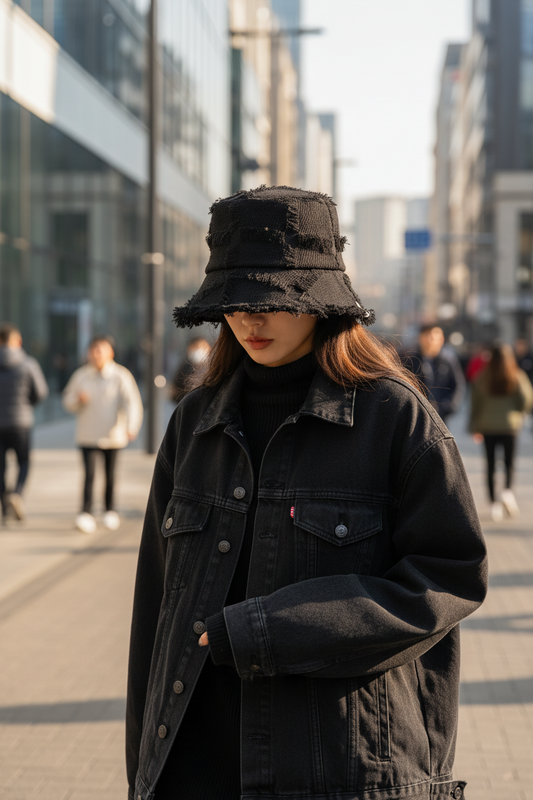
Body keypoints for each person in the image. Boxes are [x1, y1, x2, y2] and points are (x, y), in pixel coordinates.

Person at [126, 186, 487, 800]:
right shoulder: (196, 423)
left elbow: (449, 578)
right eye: (233, 300)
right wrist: (142, 768)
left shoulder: (394, 419)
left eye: (269, 298)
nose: (247, 317)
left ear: (322, 301)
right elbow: (155, 616)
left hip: (339, 768)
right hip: (194, 764)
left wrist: (271, 629)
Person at [62, 335, 143, 534]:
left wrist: (132, 426)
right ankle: (85, 513)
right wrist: (77, 400)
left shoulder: (120, 375)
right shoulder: (81, 375)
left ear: (110, 353)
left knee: (110, 475)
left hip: (113, 435)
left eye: (101, 350)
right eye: (93, 350)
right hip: (88, 434)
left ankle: (110, 511)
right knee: (89, 475)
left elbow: (132, 402)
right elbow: (67, 401)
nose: (96, 354)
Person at [470, 342, 533, 521]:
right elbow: (526, 400)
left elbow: (475, 404)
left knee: (490, 465)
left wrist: (474, 427)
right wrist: (518, 413)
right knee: (509, 463)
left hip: (487, 426)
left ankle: (493, 504)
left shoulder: (482, 377)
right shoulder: (517, 376)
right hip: (510, 426)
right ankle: (507, 491)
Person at [0, 323, 49, 522]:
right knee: (24, 462)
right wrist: (26, 405)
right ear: (17, 341)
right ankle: (17, 494)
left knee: (0, 467)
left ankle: (4, 508)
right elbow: (41, 392)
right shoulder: (29, 364)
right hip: (21, 422)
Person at [407, 324, 465, 423]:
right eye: (427, 336)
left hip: (441, 417)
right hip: (415, 416)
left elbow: (458, 386)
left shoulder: (449, 360)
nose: (431, 341)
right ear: (420, 338)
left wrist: (447, 407)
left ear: (441, 339)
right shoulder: (409, 360)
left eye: (434, 337)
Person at [169, 337, 211, 403]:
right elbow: (175, 393)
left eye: (202, 347)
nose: (199, 350)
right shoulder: (183, 368)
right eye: (195, 347)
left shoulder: (213, 368)